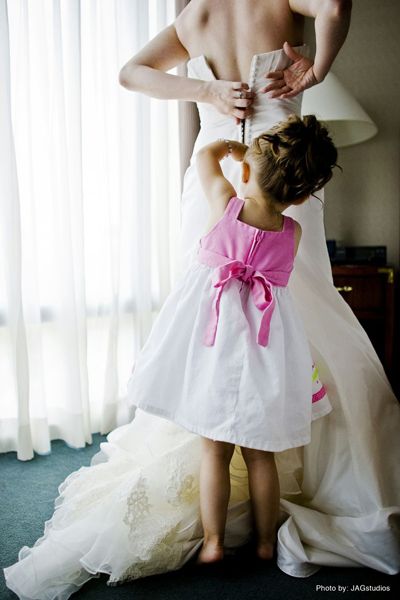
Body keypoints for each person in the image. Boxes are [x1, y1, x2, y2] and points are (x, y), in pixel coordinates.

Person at [4, 1, 400, 598]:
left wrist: (207, 90)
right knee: (298, 307)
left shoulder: (195, 14)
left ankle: (214, 435)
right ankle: (289, 436)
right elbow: (335, 5)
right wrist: (316, 66)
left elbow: (131, 72)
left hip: (218, 171)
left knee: (208, 305)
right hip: (282, 180)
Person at [127, 114, 338, 565]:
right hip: (265, 351)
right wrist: (261, 170)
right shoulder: (293, 231)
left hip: (216, 346)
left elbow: (204, 157)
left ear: (245, 173)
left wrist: (235, 151)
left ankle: (213, 543)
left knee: (214, 453)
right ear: (302, 195)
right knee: (262, 458)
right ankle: (265, 543)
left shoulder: (226, 203)